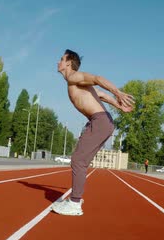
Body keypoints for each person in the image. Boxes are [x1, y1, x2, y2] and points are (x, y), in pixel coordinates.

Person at [51, 49, 135, 216]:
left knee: (77, 161)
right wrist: (118, 106)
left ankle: (74, 203)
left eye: (61, 59)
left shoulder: (73, 77)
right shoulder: (76, 83)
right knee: (80, 161)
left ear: (68, 63)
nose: (58, 62)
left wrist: (117, 92)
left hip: (100, 121)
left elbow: (97, 79)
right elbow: (101, 95)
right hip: (102, 121)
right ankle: (76, 199)